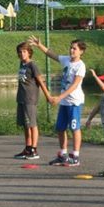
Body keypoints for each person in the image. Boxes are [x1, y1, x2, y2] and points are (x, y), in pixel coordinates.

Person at [27, 36, 86, 166]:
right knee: (60, 128)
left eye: (74, 48)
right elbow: (51, 54)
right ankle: (63, 155)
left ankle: (75, 156)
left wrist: (59, 97)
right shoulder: (66, 60)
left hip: (74, 102)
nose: (71, 50)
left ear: (81, 51)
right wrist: (39, 45)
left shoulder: (80, 66)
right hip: (64, 102)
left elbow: (74, 85)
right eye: (71, 47)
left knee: (75, 128)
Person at [13, 41, 50, 160]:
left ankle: (34, 149)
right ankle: (28, 148)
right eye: (20, 52)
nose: (22, 54)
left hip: (30, 98)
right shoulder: (22, 64)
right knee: (25, 124)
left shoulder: (32, 65)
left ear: (29, 52)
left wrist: (48, 95)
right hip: (21, 98)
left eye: (24, 51)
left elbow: (40, 81)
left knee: (32, 124)